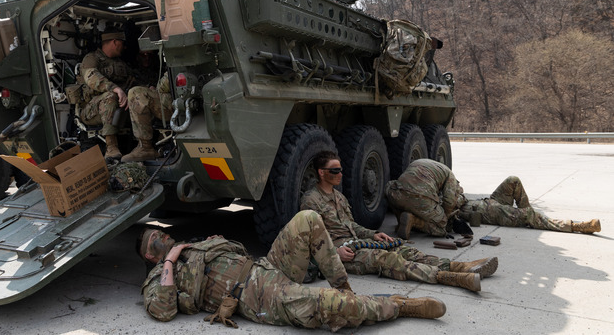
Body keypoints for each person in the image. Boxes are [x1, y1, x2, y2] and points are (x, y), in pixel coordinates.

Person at [138, 210, 447, 332]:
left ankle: (346, 292)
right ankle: (397, 305)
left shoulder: (195, 247)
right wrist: (170, 261)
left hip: (266, 267)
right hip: (258, 296)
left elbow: (241, 253)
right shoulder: (159, 276)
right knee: (324, 304)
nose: (163, 237)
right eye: (155, 241)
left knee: (308, 218)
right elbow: (163, 311)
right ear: (150, 257)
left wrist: (216, 244)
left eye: (161, 233)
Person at [300, 152, 495, 293]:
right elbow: (311, 240)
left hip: (356, 242)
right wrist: (335, 253)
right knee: (389, 260)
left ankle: (460, 266)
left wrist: (373, 234)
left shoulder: (339, 197)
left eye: (340, 169)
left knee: (404, 251)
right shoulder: (311, 200)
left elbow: (352, 226)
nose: (340, 174)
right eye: (335, 170)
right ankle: (454, 279)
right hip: (343, 253)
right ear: (321, 173)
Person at [386, 159, 602, 239]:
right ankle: (575, 226)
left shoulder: (437, 175)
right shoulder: (449, 187)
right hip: (483, 211)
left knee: (513, 180)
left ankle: (528, 216)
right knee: (526, 215)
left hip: (486, 201)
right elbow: (449, 205)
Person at [77, 29, 131, 159]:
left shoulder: (120, 63)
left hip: (116, 107)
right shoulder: (91, 59)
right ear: (114, 42)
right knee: (111, 96)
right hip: (90, 110)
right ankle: (111, 147)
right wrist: (114, 88)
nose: (124, 47)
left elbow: (132, 79)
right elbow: (92, 78)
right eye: (121, 43)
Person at [121, 51, 172, 163]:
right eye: (143, 55)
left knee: (136, 93)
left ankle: (145, 147)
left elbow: (166, 83)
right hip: (176, 105)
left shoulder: (179, 56)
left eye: (149, 55)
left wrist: (156, 89)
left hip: (175, 105)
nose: (146, 58)